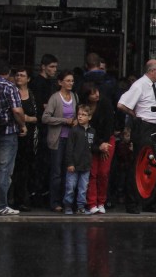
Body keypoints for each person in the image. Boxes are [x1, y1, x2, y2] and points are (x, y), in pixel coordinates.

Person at [118, 59, 156, 214]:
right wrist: (134, 114)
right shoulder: (139, 85)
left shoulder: (155, 86)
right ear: (152, 71)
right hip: (144, 125)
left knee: (155, 164)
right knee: (138, 163)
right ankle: (132, 202)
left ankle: (150, 201)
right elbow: (122, 104)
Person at [0, 61, 26, 216]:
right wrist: (22, 125)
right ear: (8, 73)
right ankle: (0, 204)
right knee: (4, 169)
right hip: (7, 131)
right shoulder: (9, 87)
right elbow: (16, 110)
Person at [41, 69, 79, 213]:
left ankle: (67, 201)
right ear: (60, 82)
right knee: (56, 172)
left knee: (68, 171)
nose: (70, 83)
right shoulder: (55, 98)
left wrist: (75, 121)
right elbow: (45, 117)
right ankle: (54, 202)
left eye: (72, 81)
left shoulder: (75, 96)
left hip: (71, 140)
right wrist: (64, 121)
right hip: (58, 139)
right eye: (68, 81)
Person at [79, 82, 117, 215]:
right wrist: (98, 145)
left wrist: (104, 144)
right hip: (91, 142)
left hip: (106, 141)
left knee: (103, 173)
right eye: (93, 93)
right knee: (92, 173)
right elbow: (85, 127)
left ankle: (101, 201)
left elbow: (109, 124)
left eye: (97, 91)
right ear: (87, 96)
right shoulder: (83, 107)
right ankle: (91, 202)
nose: (97, 95)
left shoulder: (105, 104)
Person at [28, 53, 59, 205]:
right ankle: (37, 192)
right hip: (41, 127)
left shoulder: (48, 83)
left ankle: (39, 192)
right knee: (41, 161)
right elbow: (43, 106)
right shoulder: (39, 83)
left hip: (46, 126)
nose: (54, 70)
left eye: (55, 67)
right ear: (43, 67)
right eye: (51, 67)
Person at [10, 67, 41, 211]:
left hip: (30, 137)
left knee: (27, 169)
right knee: (13, 168)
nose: (18, 78)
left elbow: (38, 117)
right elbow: (12, 112)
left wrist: (25, 118)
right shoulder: (12, 93)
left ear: (28, 79)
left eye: (22, 75)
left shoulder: (33, 95)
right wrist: (23, 121)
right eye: (17, 75)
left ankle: (24, 199)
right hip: (14, 134)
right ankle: (13, 199)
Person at [62, 107, 95, 216]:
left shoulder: (92, 131)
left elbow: (92, 147)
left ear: (90, 117)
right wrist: (70, 163)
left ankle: (81, 207)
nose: (80, 116)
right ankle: (68, 206)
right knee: (70, 186)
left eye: (84, 114)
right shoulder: (74, 130)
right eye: (79, 114)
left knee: (83, 188)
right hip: (74, 164)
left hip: (86, 165)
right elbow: (69, 148)